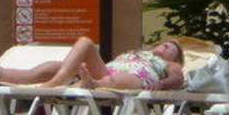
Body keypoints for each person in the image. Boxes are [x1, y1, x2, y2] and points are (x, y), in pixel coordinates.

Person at [33, 37, 186, 91]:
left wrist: (161, 84)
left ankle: (91, 84)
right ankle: (57, 81)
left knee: (113, 79)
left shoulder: (170, 64)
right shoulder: (141, 53)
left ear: (175, 58)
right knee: (85, 42)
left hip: (137, 78)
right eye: (164, 44)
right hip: (106, 71)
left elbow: (178, 79)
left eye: (169, 48)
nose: (164, 46)